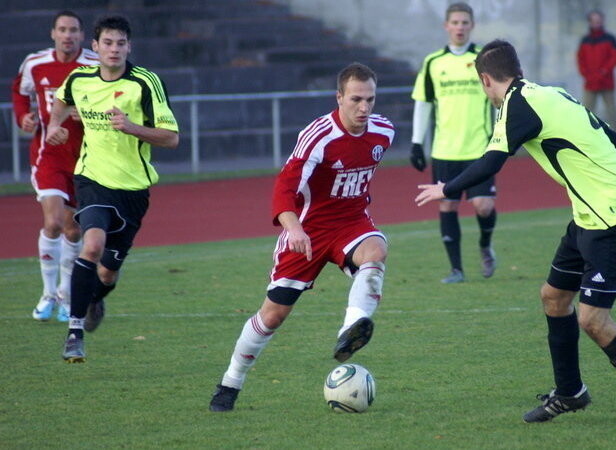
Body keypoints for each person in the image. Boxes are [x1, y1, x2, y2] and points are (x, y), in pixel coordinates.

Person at [416, 40, 616, 426]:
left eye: (482, 84)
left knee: (593, 319)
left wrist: (447, 187)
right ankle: (570, 392)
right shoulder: (548, 92)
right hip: (589, 216)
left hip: (614, 218)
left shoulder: (518, 105)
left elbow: (492, 161)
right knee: (554, 297)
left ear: (486, 79)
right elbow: (608, 132)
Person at [208, 63, 395, 412]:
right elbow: (285, 186)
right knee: (272, 315)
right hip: (308, 230)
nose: (364, 108)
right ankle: (230, 383)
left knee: (376, 251)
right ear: (339, 97)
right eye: (356, 99)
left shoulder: (384, 131)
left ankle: (352, 330)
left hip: (352, 223)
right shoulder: (319, 135)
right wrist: (293, 227)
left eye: (370, 99)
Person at [46, 15, 180, 362]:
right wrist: (54, 126)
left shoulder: (145, 83)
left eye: (121, 43)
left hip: (133, 190)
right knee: (91, 245)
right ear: (95, 47)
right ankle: (74, 332)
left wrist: (132, 127)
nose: (114, 49)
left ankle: (94, 299)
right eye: (107, 42)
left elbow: (172, 138)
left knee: (107, 271)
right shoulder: (80, 78)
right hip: (92, 179)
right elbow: (60, 101)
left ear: (129, 47)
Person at [12, 11, 99, 323]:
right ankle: (48, 293)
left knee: (73, 228)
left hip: (85, 156)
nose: (68, 35)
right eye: (62, 30)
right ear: (53, 33)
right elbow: (19, 93)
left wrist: (85, 114)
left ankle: (65, 292)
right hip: (48, 154)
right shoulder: (35, 63)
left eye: (73, 30)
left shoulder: (94, 65)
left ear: (82, 35)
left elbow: (108, 101)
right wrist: (23, 117)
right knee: (52, 223)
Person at [409, 2, 497, 284]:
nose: (459, 27)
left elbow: (499, 99)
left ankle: (485, 244)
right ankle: (456, 270)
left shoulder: (486, 58)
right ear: (446, 26)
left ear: (472, 25)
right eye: (455, 22)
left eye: (464, 22)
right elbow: (423, 103)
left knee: (483, 205)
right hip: (445, 151)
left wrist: (503, 135)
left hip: (480, 148)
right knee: (447, 206)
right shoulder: (434, 62)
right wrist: (416, 143)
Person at [577, 9, 616, 129]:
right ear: (590, 22)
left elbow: (615, 58)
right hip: (590, 82)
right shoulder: (584, 40)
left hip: (606, 81)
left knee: (612, 112)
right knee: (587, 112)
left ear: (602, 21)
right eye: (594, 21)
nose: (597, 23)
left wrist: (604, 71)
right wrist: (586, 74)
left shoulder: (610, 39)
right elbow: (580, 59)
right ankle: (586, 138)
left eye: (599, 21)